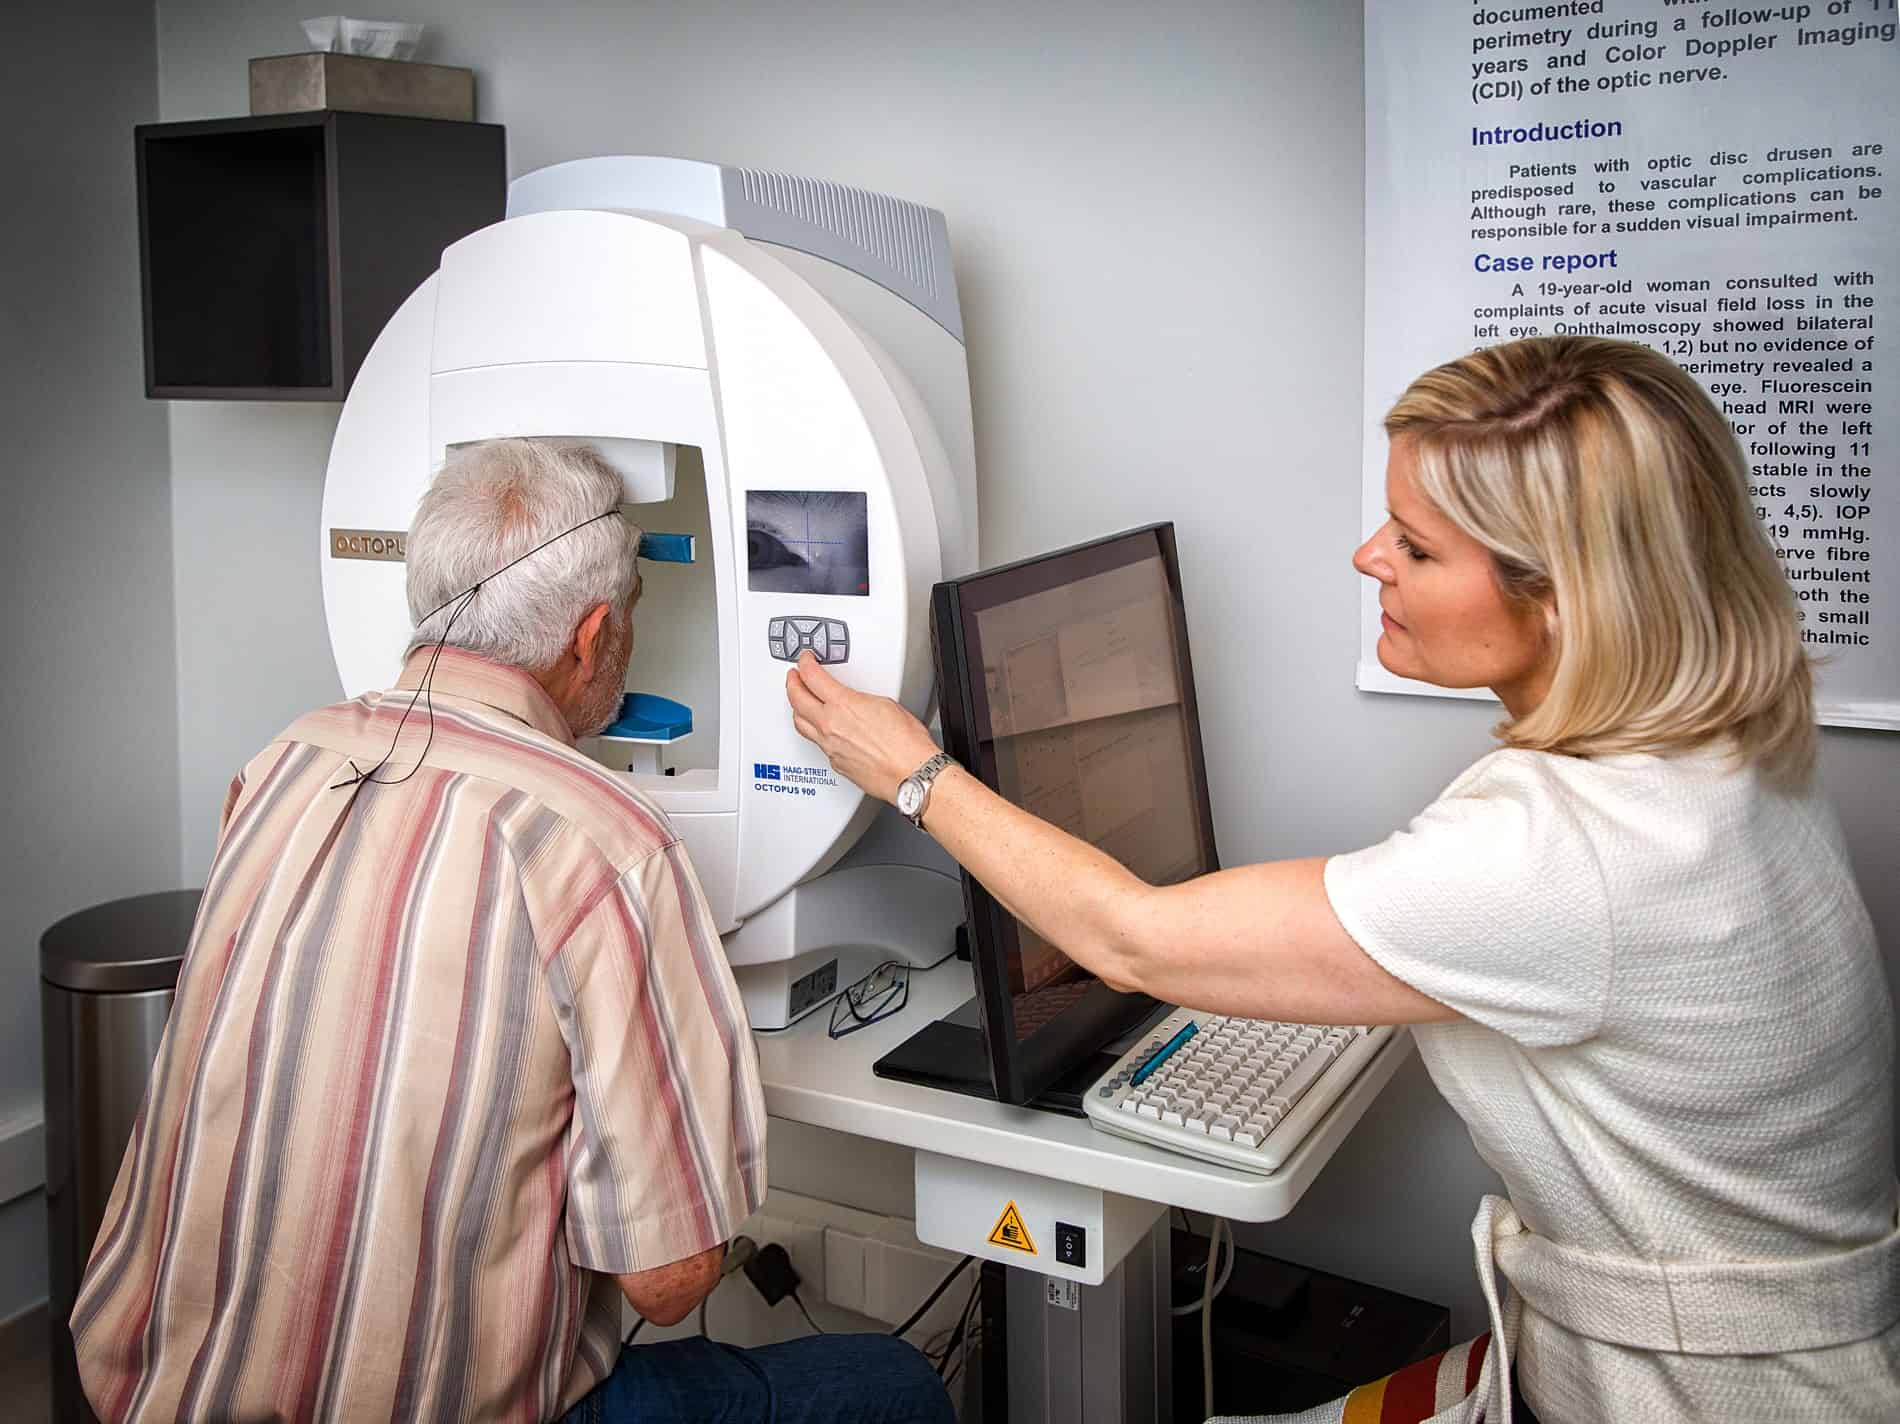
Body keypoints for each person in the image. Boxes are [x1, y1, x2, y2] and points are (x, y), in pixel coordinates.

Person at [786, 337, 1900, 1422]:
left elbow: (1129, 939)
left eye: (1416, 547)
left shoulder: (1568, 849)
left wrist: (915, 772)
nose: (1370, 556)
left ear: (1560, 599)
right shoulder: (1722, 745)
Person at [72, 439, 952, 1423]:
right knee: (894, 1385)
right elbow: (670, 1278)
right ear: (592, 637)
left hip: (160, 1394)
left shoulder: (280, 764)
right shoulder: (605, 841)